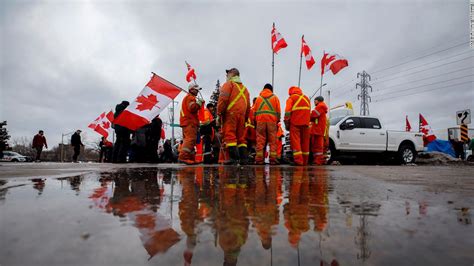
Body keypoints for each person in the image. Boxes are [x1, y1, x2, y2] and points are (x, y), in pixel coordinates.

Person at [217, 68, 251, 165]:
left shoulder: (228, 85)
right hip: (242, 115)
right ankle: (244, 159)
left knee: (229, 135)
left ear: (232, 74)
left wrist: (219, 113)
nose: (226, 76)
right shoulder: (245, 89)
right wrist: (245, 118)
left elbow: (223, 100)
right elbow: (248, 106)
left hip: (230, 114)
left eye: (227, 74)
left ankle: (234, 158)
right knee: (241, 138)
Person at [254, 84, 281, 165]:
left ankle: (259, 160)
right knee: (273, 140)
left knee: (260, 140)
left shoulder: (258, 98)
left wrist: (256, 122)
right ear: (271, 89)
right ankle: (273, 159)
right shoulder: (275, 98)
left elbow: (254, 112)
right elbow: (278, 112)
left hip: (260, 121)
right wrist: (277, 121)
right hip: (272, 121)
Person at [284, 86, 311, 166]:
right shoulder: (306, 98)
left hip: (295, 123)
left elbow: (287, 112)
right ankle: (305, 161)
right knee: (305, 143)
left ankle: (299, 161)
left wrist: (286, 122)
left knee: (296, 142)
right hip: (306, 124)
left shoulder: (291, 98)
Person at [178, 84, 203, 164]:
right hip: (190, 122)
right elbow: (192, 108)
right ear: (191, 89)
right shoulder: (190, 97)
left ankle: (191, 158)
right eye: (196, 89)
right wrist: (199, 104)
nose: (198, 91)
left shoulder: (188, 97)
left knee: (191, 141)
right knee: (190, 140)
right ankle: (183, 157)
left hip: (187, 122)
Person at [310, 96, 328, 165]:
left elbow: (313, 115)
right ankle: (317, 160)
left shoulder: (320, 106)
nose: (314, 102)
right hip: (318, 129)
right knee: (317, 146)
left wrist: (306, 116)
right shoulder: (321, 106)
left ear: (318, 101)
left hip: (318, 129)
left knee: (318, 146)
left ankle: (318, 161)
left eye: (315, 101)